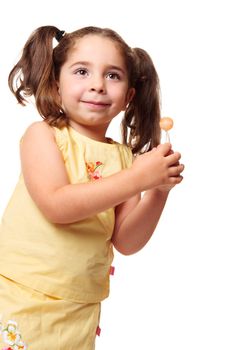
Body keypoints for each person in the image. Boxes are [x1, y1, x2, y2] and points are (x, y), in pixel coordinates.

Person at [0, 25, 184, 349]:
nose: (97, 85)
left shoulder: (124, 159)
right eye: (82, 71)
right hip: (20, 295)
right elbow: (57, 205)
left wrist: (157, 190)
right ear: (57, 85)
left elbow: (126, 240)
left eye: (113, 76)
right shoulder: (42, 136)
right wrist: (139, 178)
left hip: (78, 308)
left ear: (129, 96)